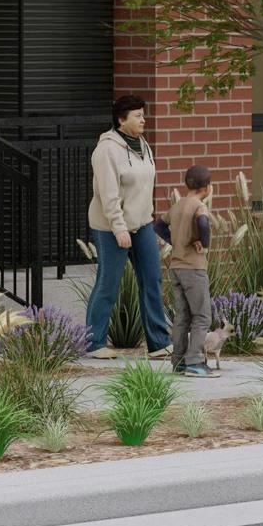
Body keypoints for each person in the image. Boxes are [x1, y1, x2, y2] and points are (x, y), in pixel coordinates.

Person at [85, 94, 170, 362]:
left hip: (142, 224)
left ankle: (158, 342)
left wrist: (149, 221)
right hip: (111, 227)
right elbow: (107, 194)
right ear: (122, 120)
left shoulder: (143, 145)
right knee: (108, 285)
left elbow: (145, 189)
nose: (144, 119)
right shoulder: (106, 150)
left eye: (143, 115)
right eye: (138, 116)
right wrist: (119, 229)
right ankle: (94, 342)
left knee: (152, 280)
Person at [157, 164, 214, 378]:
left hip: (176, 267)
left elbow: (159, 226)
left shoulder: (178, 205)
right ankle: (195, 362)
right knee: (202, 316)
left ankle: (179, 361)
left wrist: (176, 242)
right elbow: (203, 223)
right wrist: (203, 242)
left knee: (182, 316)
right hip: (193, 268)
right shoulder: (199, 206)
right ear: (206, 188)